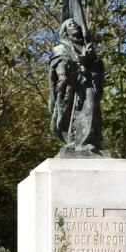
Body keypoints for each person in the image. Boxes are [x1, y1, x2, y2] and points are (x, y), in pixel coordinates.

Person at [49, 17, 105, 156]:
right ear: (65, 31)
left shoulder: (87, 46)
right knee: (71, 113)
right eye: (69, 24)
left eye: (75, 24)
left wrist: (91, 59)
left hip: (87, 82)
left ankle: (87, 141)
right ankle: (77, 142)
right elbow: (58, 62)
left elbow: (96, 64)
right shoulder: (61, 47)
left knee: (91, 108)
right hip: (71, 85)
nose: (74, 25)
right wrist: (62, 76)